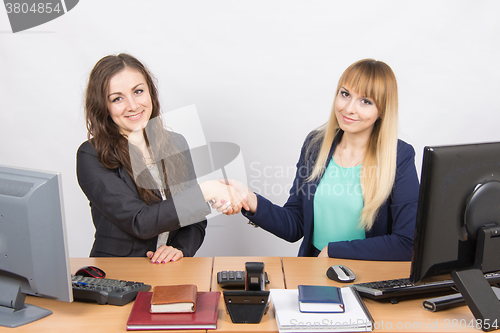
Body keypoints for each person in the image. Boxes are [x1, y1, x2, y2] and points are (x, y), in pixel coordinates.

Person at [218, 59, 419, 261]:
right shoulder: (316, 145)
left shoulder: (399, 156)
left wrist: (334, 251)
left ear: (382, 110)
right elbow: (295, 225)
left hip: (369, 277)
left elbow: (406, 242)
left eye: (365, 101)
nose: (349, 108)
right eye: (345, 94)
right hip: (316, 270)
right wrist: (249, 198)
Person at [77, 53, 244, 263]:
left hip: (167, 270)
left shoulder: (175, 143)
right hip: (117, 273)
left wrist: (179, 249)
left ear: (150, 93)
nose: (133, 105)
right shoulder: (91, 155)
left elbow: (195, 218)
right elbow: (140, 221)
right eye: (117, 98)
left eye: (138, 92)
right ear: (103, 106)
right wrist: (207, 190)